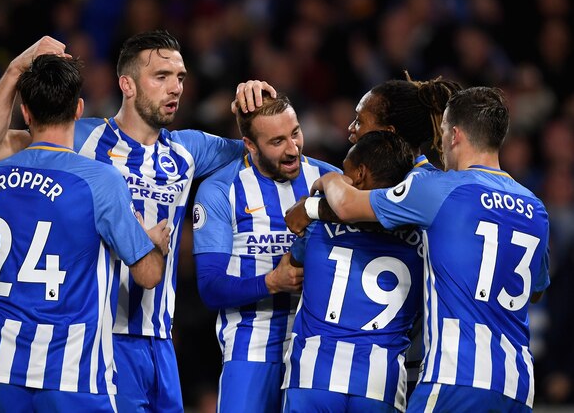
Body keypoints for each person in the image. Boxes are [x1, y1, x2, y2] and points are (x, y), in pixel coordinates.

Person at [0, 32, 273, 412]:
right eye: (161, 76)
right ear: (126, 84)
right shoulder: (80, 136)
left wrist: (257, 110)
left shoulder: (190, 148)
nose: (175, 87)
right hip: (99, 342)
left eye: (180, 76)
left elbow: (265, 155)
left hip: (160, 340)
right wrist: (15, 68)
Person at [286, 87, 550, 412]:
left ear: (454, 135)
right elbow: (535, 291)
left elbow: (347, 204)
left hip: (457, 375)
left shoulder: (439, 189)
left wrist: (326, 185)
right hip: (518, 384)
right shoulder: (535, 208)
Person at [0, 54, 169, 412]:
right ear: (79, 109)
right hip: (72, 376)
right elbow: (149, 274)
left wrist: (15, 67)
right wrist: (148, 239)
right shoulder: (100, 182)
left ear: (26, 113)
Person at [191, 91, 341, 412]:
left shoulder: (331, 181)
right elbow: (210, 288)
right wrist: (273, 282)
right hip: (252, 346)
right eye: (277, 142)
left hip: (319, 346)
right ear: (249, 145)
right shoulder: (222, 190)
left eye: (295, 133)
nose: (293, 149)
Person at [281, 130, 421, 413]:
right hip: (381, 383)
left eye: (344, 171)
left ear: (359, 173)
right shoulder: (424, 237)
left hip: (314, 372)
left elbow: (292, 268)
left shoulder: (317, 226)